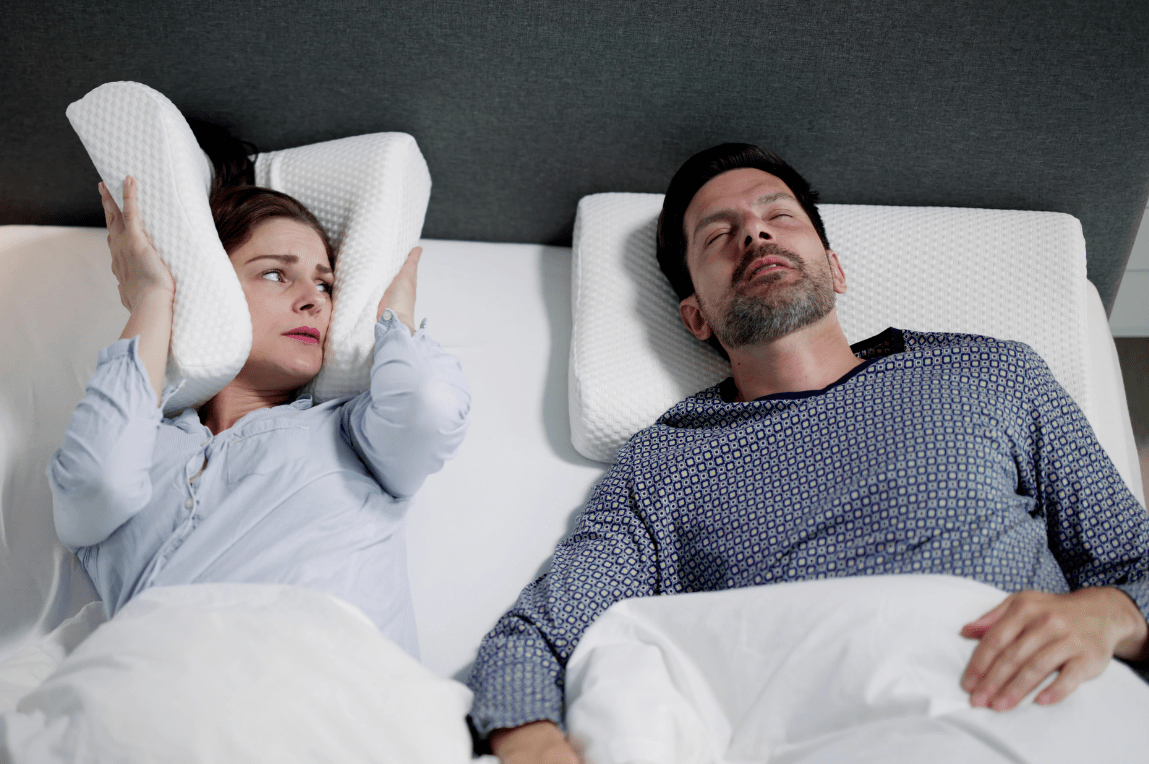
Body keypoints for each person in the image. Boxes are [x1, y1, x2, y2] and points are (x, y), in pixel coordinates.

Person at [468, 143, 1149, 762]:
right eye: (718, 235)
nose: (754, 234)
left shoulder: (992, 374)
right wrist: (534, 745)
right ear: (696, 316)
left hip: (1018, 704)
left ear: (836, 267)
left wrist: (1108, 615)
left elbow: (1134, 563)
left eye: (778, 216)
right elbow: (539, 637)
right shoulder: (663, 465)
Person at [48, 129, 469, 659]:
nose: (314, 301)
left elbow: (429, 406)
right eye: (275, 274)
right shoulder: (141, 444)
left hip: (332, 683)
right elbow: (96, 483)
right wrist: (153, 296)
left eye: (325, 284)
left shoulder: (353, 432)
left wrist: (394, 315)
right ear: (211, 293)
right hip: (165, 683)